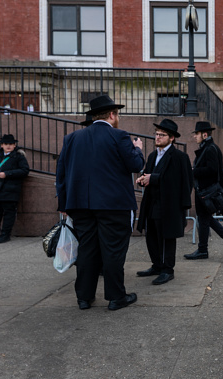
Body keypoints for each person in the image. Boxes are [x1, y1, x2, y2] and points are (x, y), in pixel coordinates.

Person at [56, 95, 145, 311]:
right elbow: (135, 164)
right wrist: (138, 148)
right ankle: (116, 297)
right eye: (117, 114)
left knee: (87, 249)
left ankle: (84, 297)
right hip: (113, 205)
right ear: (112, 115)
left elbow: (62, 174)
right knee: (113, 250)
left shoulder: (72, 139)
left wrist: (64, 205)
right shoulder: (120, 136)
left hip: (80, 205)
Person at [136, 119, 193, 285]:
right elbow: (148, 174)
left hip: (169, 205)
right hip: (152, 203)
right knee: (151, 236)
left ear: (172, 138)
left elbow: (183, 181)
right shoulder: (153, 156)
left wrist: (153, 178)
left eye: (162, 135)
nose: (158, 137)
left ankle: (168, 269)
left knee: (167, 238)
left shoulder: (179, 157)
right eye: (156, 134)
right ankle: (157, 265)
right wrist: (142, 179)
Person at [184, 121, 223, 260]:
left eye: (197, 134)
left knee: (204, 218)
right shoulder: (207, 147)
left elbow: (212, 170)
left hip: (206, 192)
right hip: (204, 191)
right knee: (205, 218)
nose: (195, 136)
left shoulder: (210, 149)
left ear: (204, 134)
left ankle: (203, 250)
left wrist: (194, 171)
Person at [0, 134, 30, 244]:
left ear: (14, 145)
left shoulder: (18, 156)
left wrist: (7, 174)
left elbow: (24, 170)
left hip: (10, 190)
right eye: (6, 144)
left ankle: (5, 235)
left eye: (11, 144)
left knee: (9, 214)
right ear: (2, 145)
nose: (8, 146)